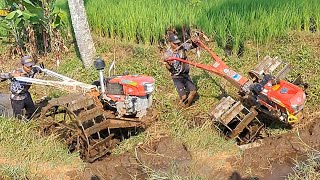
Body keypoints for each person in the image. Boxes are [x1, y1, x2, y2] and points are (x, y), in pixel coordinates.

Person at [0, 56, 42, 120]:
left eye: (31, 66)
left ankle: (31, 119)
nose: (29, 68)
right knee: (18, 117)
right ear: (23, 65)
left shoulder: (32, 70)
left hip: (26, 94)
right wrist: (12, 75)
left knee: (32, 112)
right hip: (17, 98)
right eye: (27, 67)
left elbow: (38, 69)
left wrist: (41, 69)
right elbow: (2, 76)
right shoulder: (16, 72)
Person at [164, 33, 197, 107]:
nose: (177, 45)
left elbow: (192, 46)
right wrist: (167, 64)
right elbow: (170, 69)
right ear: (170, 43)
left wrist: (194, 42)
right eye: (175, 43)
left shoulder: (182, 47)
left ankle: (186, 107)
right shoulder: (168, 54)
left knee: (193, 92)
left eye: (178, 43)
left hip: (185, 75)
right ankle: (180, 106)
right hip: (177, 77)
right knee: (184, 97)